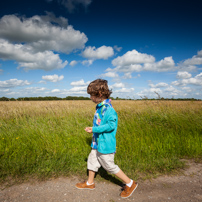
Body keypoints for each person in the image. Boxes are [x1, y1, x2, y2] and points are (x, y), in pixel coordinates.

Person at [75, 79, 138, 198]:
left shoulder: (109, 109)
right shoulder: (100, 107)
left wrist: (94, 129)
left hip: (105, 144)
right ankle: (90, 183)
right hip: (97, 142)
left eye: (91, 95)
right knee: (92, 160)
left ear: (99, 94)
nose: (90, 98)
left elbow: (111, 126)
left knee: (109, 165)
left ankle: (130, 183)